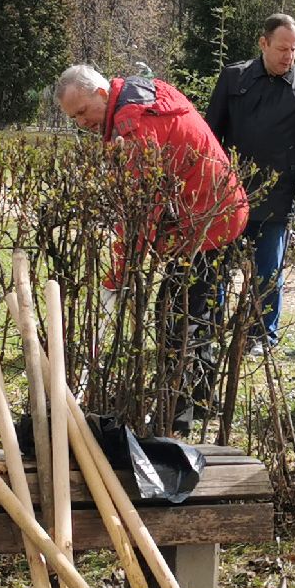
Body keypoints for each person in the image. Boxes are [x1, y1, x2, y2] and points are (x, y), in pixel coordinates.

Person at [56, 64, 250, 430]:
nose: (81, 122)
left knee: (177, 317)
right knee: (195, 311)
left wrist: (116, 277)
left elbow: (140, 212)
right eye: (73, 117)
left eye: (82, 112)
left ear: (101, 94)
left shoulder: (136, 126)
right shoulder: (137, 96)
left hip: (210, 219)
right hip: (212, 212)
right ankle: (197, 400)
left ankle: (181, 412)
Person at [205, 14, 295, 348]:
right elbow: (210, 133)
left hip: (276, 195)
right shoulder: (234, 79)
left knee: (267, 272)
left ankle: (261, 335)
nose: (289, 56)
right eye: (282, 48)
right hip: (228, 194)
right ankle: (209, 328)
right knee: (217, 267)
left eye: (294, 50)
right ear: (263, 43)